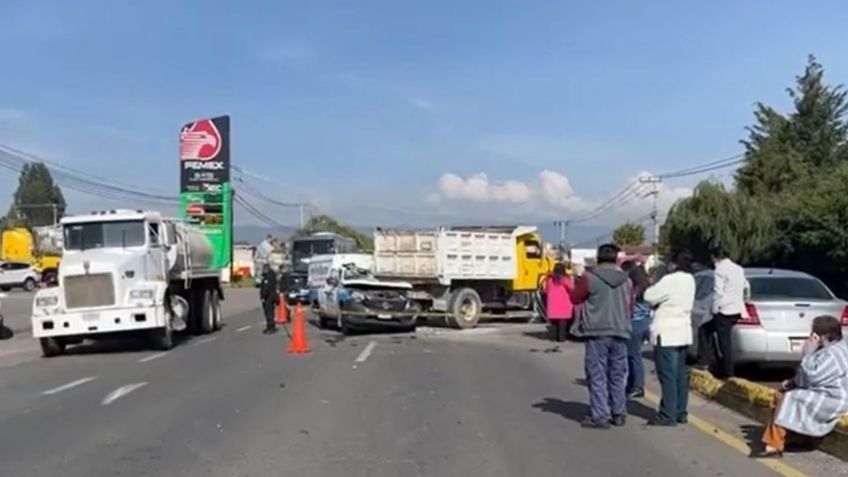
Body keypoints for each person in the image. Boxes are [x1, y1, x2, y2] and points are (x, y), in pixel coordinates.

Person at [753, 315, 848, 458]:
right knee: (781, 394)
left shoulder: (833, 353)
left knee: (790, 398)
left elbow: (813, 376)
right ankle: (797, 438)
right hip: (824, 391)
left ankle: (774, 443)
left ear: (824, 336)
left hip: (833, 398)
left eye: (815, 334)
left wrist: (808, 353)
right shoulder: (833, 347)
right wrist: (793, 381)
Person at [569, 243, 633, 429]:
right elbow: (630, 306)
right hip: (620, 331)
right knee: (617, 374)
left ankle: (601, 415)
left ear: (598, 258)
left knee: (597, 374)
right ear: (616, 258)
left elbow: (575, 298)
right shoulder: (627, 281)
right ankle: (619, 412)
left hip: (596, 331)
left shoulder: (590, 278)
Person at [644, 249, 696, 426]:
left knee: (667, 374)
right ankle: (681, 411)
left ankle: (667, 414)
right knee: (680, 374)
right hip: (683, 331)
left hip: (666, 331)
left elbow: (649, 296)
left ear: (674, 264)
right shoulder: (690, 280)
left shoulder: (670, 280)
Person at [698, 246, 748, 378]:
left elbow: (718, 291)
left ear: (715, 257)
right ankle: (710, 362)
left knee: (722, 341)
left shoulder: (720, 269)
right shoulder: (738, 268)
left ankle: (727, 372)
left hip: (724, 310)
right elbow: (746, 286)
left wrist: (714, 309)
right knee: (707, 331)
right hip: (736, 309)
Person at [621, 259, 652, 399]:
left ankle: (638, 386)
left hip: (635, 324)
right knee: (633, 355)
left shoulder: (634, 292)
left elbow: (628, 309)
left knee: (633, 356)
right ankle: (631, 384)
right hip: (646, 322)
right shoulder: (647, 288)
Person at [544, 262, 574, 342]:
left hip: (552, 305)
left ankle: (553, 337)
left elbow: (546, 290)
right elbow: (572, 289)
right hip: (564, 305)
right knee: (562, 323)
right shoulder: (565, 279)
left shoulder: (550, 280)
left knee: (554, 323)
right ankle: (561, 338)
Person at [259, 264, 279, 334]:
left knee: (269, 312)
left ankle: (271, 327)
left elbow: (266, 288)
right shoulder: (271, 275)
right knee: (270, 312)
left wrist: (263, 296)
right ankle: (270, 326)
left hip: (268, 297)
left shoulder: (268, 277)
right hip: (272, 296)